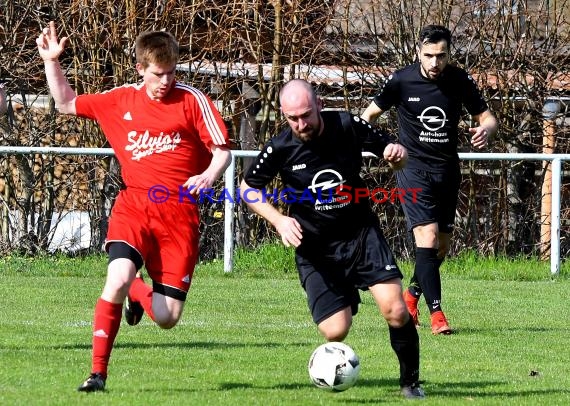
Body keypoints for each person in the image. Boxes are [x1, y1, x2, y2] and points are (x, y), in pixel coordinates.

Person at [36, 21, 232, 391]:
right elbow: (64, 103)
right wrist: (52, 61)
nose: (166, 81)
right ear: (141, 69)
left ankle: (139, 293)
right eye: (158, 74)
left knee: (167, 316)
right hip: (135, 206)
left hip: (179, 214)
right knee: (116, 279)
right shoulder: (120, 99)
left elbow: (222, 150)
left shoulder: (192, 101)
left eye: (172, 72)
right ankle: (97, 374)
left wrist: (208, 175)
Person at [240, 79, 425, 399]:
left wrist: (398, 156)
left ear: (320, 104)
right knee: (335, 330)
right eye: (292, 118)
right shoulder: (281, 147)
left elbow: (396, 153)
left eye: (306, 115)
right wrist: (279, 220)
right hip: (315, 248)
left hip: (360, 236)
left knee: (395, 310)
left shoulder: (347, 124)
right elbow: (247, 188)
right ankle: (346, 295)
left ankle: (410, 383)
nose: (300, 124)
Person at [362, 25, 498, 335]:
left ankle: (411, 296)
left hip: (447, 170)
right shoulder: (400, 80)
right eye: (429, 56)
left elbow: (488, 118)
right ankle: (438, 316)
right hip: (411, 169)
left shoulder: (459, 80)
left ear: (450, 53)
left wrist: (486, 131)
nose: (435, 63)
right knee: (427, 236)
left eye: (441, 56)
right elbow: (367, 117)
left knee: (441, 247)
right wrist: (383, 147)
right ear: (418, 53)